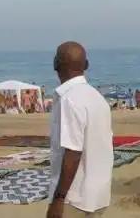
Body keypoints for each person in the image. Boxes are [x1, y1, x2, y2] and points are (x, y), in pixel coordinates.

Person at [47, 42, 113, 218]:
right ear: (86, 65)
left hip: (74, 199)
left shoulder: (69, 100)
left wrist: (59, 199)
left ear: (56, 64)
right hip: (98, 196)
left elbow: (73, 152)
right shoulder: (97, 98)